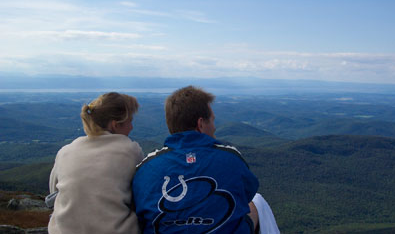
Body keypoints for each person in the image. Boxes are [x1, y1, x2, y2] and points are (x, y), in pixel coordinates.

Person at [133, 86, 263, 233]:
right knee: (256, 205)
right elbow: (248, 192)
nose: (214, 128)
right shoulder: (231, 158)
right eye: (212, 121)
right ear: (200, 124)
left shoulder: (145, 168)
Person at [48, 92, 144, 234]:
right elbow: (142, 194)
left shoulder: (65, 151)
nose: (131, 127)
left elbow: (53, 191)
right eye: (130, 121)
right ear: (115, 125)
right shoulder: (131, 150)